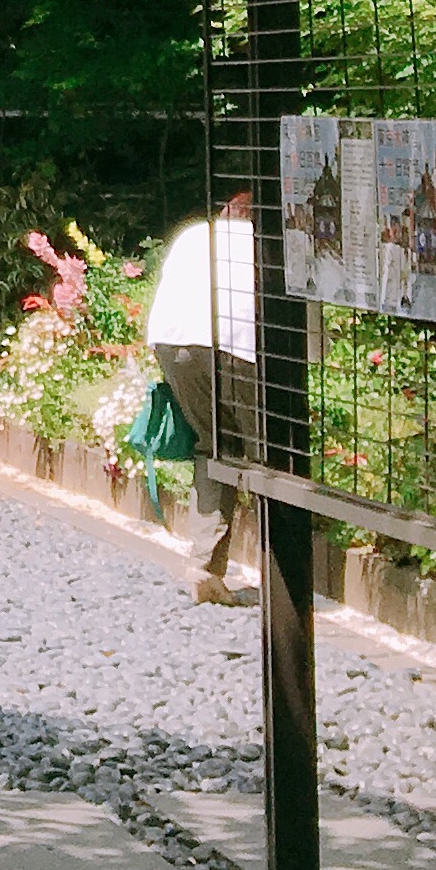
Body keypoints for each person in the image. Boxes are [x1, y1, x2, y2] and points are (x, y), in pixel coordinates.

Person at [147, 195, 258, 606]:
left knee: (215, 447)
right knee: (267, 457)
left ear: (227, 210)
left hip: (173, 341)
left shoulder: (196, 233)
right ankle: (284, 572)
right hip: (236, 346)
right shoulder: (267, 241)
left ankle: (204, 567)